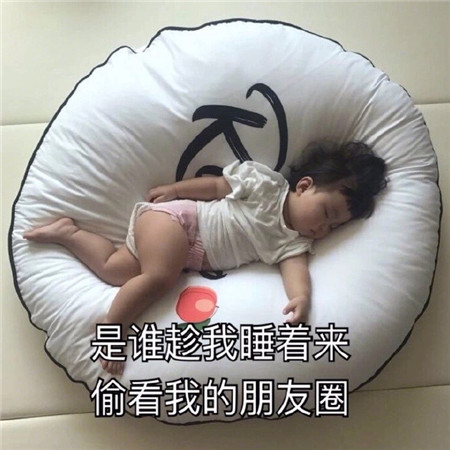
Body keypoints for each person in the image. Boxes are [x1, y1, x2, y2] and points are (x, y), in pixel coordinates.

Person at [23, 141, 387, 375]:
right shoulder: (267, 186)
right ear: (304, 186)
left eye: (333, 227)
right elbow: (215, 187)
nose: (322, 228)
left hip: (179, 251)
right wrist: (174, 189)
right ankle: (113, 327)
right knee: (160, 278)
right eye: (326, 213)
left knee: (115, 271)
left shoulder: (293, 243)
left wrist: (302, 298)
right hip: (179, 223)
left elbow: (296, 273)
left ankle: (69, 234)